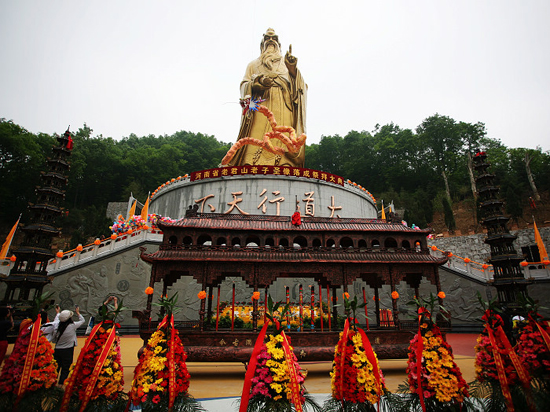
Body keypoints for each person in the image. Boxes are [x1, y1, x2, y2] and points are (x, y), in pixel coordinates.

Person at [227, 28, 307, 167]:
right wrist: (255, 84)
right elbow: (244, 85)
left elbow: (301, 87)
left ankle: (284, 162)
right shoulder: (253, 65)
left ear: (279, 45)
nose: (271, 41)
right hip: (260, 104)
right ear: (262, 44)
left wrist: (293, 70)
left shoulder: (287, 63)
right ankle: (250, 162)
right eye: (267, 39)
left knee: (282, 133)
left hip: (283, 103)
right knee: (255, 137)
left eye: (274, 39)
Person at [53, 305, 85, 385]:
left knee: (56, 367)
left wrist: (57, 313)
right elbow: (82, 320)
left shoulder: (57, 325)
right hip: (67, 350)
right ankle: (61, 384)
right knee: (65, 368)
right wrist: (78, 313)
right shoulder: (72, 326)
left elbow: (56, 320)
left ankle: (52, 383)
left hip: (57, 349)